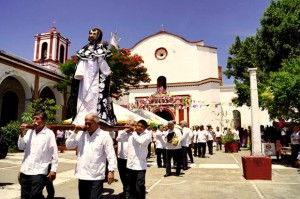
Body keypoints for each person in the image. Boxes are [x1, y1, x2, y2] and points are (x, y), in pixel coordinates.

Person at [70, 27, 117, 126]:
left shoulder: (101, 48)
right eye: (90, 33)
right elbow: (81, 63)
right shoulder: (84, 49)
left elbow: (102, 63)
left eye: (94, 33)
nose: (91, 35)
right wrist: (79, 73)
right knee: (83, 96)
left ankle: (95, 118)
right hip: (84, 78)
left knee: (95, 97)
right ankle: (81, 117)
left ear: (98, 36)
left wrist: (107, 72)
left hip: (97, 79)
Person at [65, 112, 116, 199]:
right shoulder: (81, 134)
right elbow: (69, 146)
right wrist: (75, 131)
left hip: (96, 175)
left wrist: (111, 171)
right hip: (83, 174)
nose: (87, 126)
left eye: (90, 124)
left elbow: (110, 154)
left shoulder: (104, 136)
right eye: (86, 123)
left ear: (97, 123)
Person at [18, 110, 58, 199]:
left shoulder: (49, 133)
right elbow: (21, 147)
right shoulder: (29, 132)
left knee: (35, 195)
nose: (34, 121)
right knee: (25, 196)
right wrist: (21, 133)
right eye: (33, 118)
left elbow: (54, 152)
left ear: (44, 121)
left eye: (37, 119)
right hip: (26, 169)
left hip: (40, 170)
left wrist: (53, 170)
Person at [126, 120, 151, 199]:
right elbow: (119, 139)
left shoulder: (147, 136)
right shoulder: (131, 136)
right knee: (131, 185)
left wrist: (133, 132)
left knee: (140, 186)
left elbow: (140, 141)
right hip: (131, 164)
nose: (139, 128)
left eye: (142, 126)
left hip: (140, 165)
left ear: (145, 128)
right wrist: (125, 131)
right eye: (138, 125)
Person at [116, 122, 135, 198]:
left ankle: (128, 192)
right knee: (122, 176)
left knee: (129, 176)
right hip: (120, 158)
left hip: (130, 159)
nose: (127, 126)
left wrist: (133, 130)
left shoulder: (134, 134)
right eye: (126, 125)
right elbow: (118, 139)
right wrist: (125, 131)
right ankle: (125, 191)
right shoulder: (121, 132)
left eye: (129, 125)